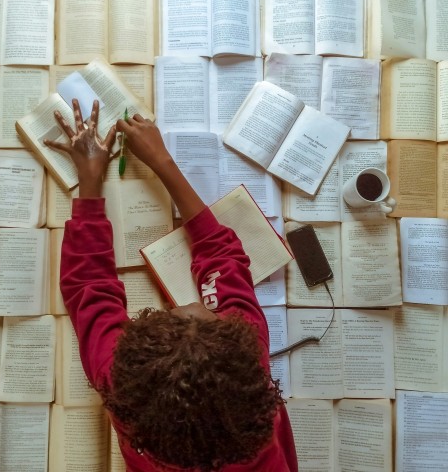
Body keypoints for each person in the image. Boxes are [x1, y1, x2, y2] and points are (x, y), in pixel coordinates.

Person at [44, 99, 298, 472]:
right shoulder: (246, 366)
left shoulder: (123, 382)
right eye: (208, 313)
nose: (195, 304)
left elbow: (88, 285)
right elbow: (222, 256)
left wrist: (90, 183)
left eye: (176, 313)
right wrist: (163, 162)